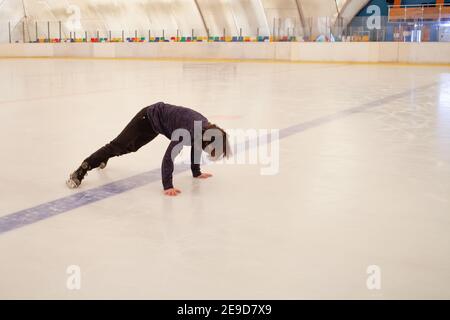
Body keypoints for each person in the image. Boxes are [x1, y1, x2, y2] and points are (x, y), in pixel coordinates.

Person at [66, 102, 230, 196]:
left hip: (156, 126)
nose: (210, 153)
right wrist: (168, 186)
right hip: (147, 117)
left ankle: (105, 157)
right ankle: (81, 169)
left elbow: (197, 147)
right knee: (117, 145)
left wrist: (197, 172)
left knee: (129, 148)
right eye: (212, 150)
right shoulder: (187, 133)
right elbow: (168, 157)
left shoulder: (204, 130)